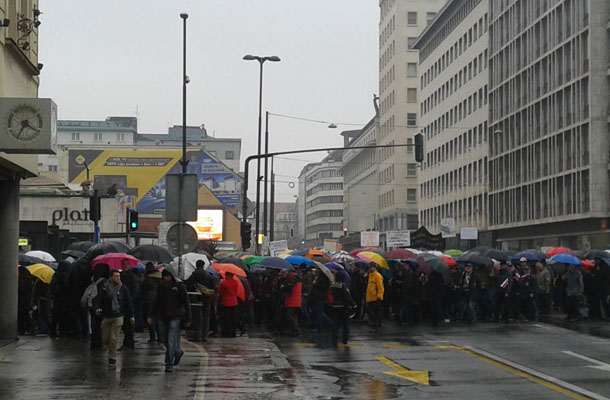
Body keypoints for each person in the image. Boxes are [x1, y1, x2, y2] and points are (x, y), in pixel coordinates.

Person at [149, 269, 191, 372]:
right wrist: (151, 314)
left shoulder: (179, 286)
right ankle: (177, 352)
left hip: (175, 317)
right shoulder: (161, 286)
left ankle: (169, 363)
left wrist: (188, 318)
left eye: (167, 276)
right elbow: (156, 300)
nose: (165, 278)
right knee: (164, 339)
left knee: (171, 340)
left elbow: (186, 302)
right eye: (164, 276)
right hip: (163, 316)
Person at [94, 269, 134, 367]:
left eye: (119, 276)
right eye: (116, 276)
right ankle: (110, 348)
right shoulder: (104, 288)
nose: (118, 278)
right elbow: (98, 299)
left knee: (113, 338)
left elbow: (128, 302)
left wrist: (131, 315)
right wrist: (97, 308)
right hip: (107, 316)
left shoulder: (123, 289)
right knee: (105, 338)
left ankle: (112, 357)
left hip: (118, 316)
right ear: (111, 277)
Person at [186, 260, 215, 342]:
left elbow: (188, 286)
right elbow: (213, 286)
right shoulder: (208, 275)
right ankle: (204, 335)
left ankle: (196, 335)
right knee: (206, 317)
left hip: (195, 298)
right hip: (206, 298)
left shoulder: (193, 275)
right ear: (203, 265)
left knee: (197, 317)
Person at [330, 270, 355, 346]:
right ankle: (345, 339)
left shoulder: (333, 285)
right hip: (343, 306)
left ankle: (334, 340)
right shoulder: (342, 286)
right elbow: (347, 297)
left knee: (335, 324)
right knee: (345, 324)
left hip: (335, 305)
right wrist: (353, 304)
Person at [140, 262, 161, 342]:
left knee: (150, 319)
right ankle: (160, 336)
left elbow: (142, 289)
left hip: (149, 300)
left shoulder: (147, 279)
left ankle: (152, 337)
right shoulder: (160, 277)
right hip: (158, 301)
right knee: (157, 319)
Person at [280, 270, 302, 336]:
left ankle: (296, 330)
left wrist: (283, 287)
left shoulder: (293, 279)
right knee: (293, 315)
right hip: (295, 300)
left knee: (290, 315)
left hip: (292, 300)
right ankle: (294, 330)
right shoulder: (297, 279)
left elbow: (289, 289)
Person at [217, 271, 239, 338]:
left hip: (225, 302)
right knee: (233, 318)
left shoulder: (223, 283)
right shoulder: (236, 282)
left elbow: (220, 292)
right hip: (234, 302)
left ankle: (226, 332)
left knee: (225, 318)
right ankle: (233, 333)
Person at [366, 264, 384, 333]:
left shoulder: (377, 276)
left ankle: (375, 327)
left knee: (373, 313)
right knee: (371, 313)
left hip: (375, 298)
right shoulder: (370, 275)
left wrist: (379, 297)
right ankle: (375, 326)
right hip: (369, 298)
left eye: (371, 267)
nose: (370, 268)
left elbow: (380, 287)